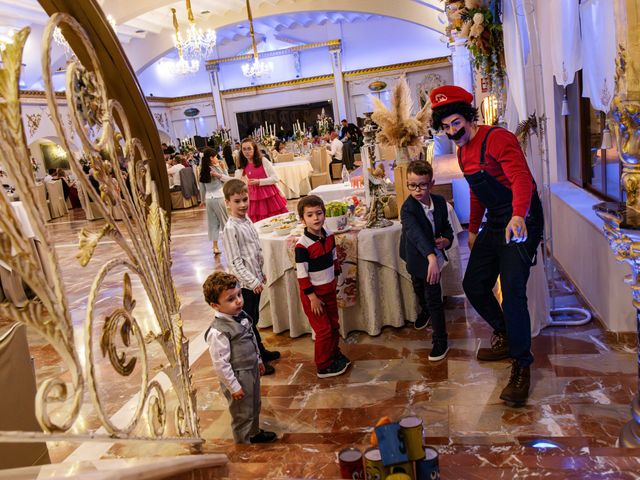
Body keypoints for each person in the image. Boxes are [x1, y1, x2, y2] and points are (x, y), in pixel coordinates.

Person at [430, 85, 544, 406]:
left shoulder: (497, 138)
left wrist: (519, 215)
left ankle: (522, 366)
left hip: (523, 217)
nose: (453, 132)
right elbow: (479, 191)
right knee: (474, 284)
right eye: (446, 127)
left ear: (469, 117)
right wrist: (474, 229)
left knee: (512, 290)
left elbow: (521, 178)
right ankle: (507, 334)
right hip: (495, 220)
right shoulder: (463, 152)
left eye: (457, 123)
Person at [202, 271, 277, 444]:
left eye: (239, 294)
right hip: (237, 375)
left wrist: (258, 360)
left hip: (251, 370)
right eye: (230, 299)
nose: (238, 301)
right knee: (241, 411)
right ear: (215, 305)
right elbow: (221, 364)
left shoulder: (240, 315)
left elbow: (251, 339)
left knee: (254, 404)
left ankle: (254, 432)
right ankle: (243, 443)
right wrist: (233, 386)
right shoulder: (218, 331)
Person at [221, 179, 281, 374]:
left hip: (254, 280)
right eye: (237, 201)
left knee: (252, 320)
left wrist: (260, 272)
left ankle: (261, 352)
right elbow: (235, 263)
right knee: (248, 324)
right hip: (244, 286)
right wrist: (252, 281)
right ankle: (255, 359)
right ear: (227, 203)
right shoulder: (230, 228)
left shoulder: (247, 220)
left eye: (245, 199)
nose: (243, 205)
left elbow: (254, 250)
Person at [399, 161, 454, 361]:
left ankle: (440, 339)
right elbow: (415, 235)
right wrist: (430, 256)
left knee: (434, 297)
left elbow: (447, 227)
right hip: (415, 255)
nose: (417, 190)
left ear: (431, 184)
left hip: (432, 258)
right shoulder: (407, 209)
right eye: (412, 185)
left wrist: (447, 240)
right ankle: (424, 310)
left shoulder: (439, 202)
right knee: (417, 284)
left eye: (422, 185)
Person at [295, 195, 351, 378]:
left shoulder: (329, 236)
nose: (316, 218)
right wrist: (312, 298)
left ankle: (333, 353)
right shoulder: (302, 246)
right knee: (323, 330)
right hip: (314, 296)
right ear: (302, 219)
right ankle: (323, 365)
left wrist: (335, 276)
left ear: (324, 215)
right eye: (310, 215)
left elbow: (334, 256)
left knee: (334, 325)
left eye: (319, 213)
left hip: (329, 290)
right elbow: (302, 274)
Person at [234, 138, 288, 222]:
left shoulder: (263, 160)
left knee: (276, 220)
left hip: (269, 194)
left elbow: (275, 178)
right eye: (244, 149)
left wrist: (259, 182)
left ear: (254, 149)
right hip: (254, 197)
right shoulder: (244, 164)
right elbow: (235, 180)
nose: (246, 152)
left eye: (249, 149)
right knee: (259, 221)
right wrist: (220, 176)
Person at [200, 147, 232, 255]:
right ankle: (230, 245)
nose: (217, 158)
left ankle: (215, 247)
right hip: (218, 197)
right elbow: (226, 180)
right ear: (211, 158)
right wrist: (224, 168)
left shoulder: (203, 169)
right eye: (216, 156)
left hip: (208, 199)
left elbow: (202, 187)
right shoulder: (215, 169)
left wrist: (202, 200)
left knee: (213, 223)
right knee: (225, 221)